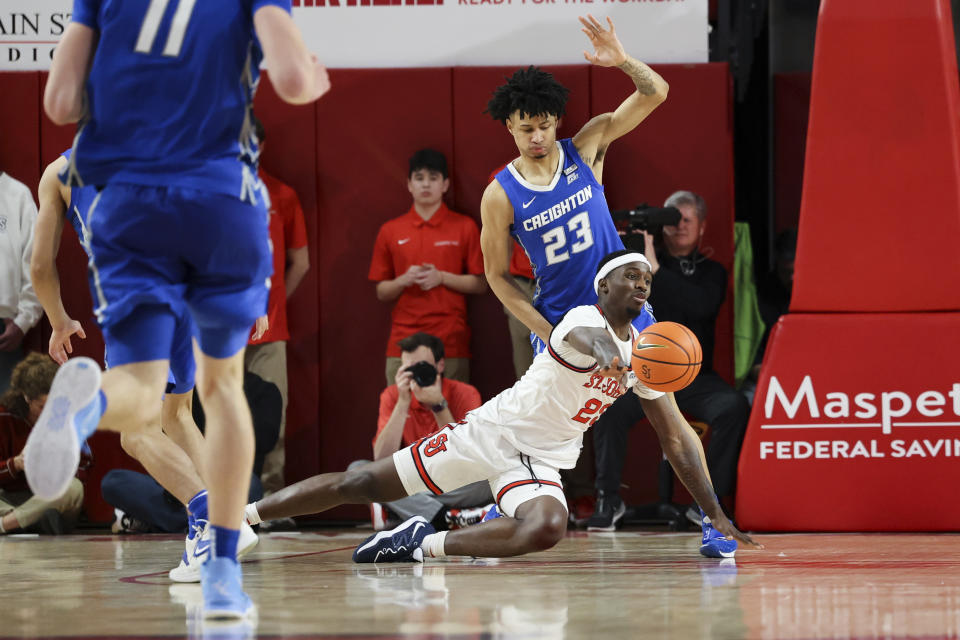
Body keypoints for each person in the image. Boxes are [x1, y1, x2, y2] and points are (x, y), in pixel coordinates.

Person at [30, 0, 330, 620]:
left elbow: (58, 105)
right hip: (218, 199)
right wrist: (314, 73)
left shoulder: (63, 165)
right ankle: (221, 564)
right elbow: (296, 82)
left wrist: (59, 321)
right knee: (219, 393)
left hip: (129, 209)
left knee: (142, 406)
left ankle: (87, 408)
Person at [243, 252, 760, 563]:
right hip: (492, 434)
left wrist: (714, 512)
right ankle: (241, 518)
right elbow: (589, 339)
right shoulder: (581, 317)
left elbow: (675, 438)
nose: (641, 282)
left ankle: (423, 543)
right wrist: (609, 357)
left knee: (546, 528)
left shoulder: (646, 357)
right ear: (604, 287)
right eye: (629, 275)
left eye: (646, 277)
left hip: (544, 459)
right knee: (361, 484)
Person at [30, 150, 258, 582]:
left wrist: (59, 321)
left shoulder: (57, 174)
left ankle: (211, 520)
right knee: (177, 416)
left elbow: (40, 265)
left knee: (136, 433)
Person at [588, 191, 751, 545]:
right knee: (607, 406)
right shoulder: (638, 268)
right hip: (642, 373)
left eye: (686, 221)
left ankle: (709, 504)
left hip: (692, 376)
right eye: (672, 221)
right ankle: (608, 499)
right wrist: (639, 264)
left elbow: (702, 306)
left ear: (702, 227)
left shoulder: (712, 271)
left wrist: (656, 271)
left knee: (733, 406)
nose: (678, 228)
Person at [101, 371, 281, 534]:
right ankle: (216, 520)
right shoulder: (199, 383)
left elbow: (257, 443)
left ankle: (205, 518)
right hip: (182, 480)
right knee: (114, 480)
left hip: (228, 480)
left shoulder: (262, 391)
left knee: (137, 432)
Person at [369, 149, 486, 385]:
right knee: (401, 412)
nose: (426, 184)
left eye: (433, 178)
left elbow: (481, 283)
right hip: (402, 340)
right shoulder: (390, 230)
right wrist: (403, 280)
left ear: (445, 185)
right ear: (409, 184)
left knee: (454, 418)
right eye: (419, 178)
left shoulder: (464, 226)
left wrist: (441, 277)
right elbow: (381, 291)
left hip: (450, 340)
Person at [359, 332, 492, 531]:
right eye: (409, 369)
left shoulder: (465, 392)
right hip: (414, 479)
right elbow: (382, 458)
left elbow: (466, 455)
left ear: (440, 366)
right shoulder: (393, 395)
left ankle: (400, 509)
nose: (416, 374)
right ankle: (446, 517)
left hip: (457, 481)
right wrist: (402, 403)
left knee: (493, 476)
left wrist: (439, 406)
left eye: (423, 367)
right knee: (359, 470)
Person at [246, 116, 310, 498]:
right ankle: (214, 498)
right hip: (220, 329)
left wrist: (273, 306)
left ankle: (271, 498)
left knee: (272, 413)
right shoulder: (213, 191)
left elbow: (299, 262)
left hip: (270, 329)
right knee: (213, 412)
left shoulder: (282, 195)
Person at [0, 353, 87, 535]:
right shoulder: (4, 417)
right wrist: (15, 464)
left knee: (74, 488)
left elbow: (85, 466)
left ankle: (8, 524)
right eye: (41, 406)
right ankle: (32, 521)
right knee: (46, 514)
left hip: (49, 497)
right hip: (9, 497)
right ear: (26, 397)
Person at [0, 171, 43, 393]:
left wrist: (23, 321)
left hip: (4, 331)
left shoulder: (17, 195)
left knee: (4, 416)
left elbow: (37, 264)